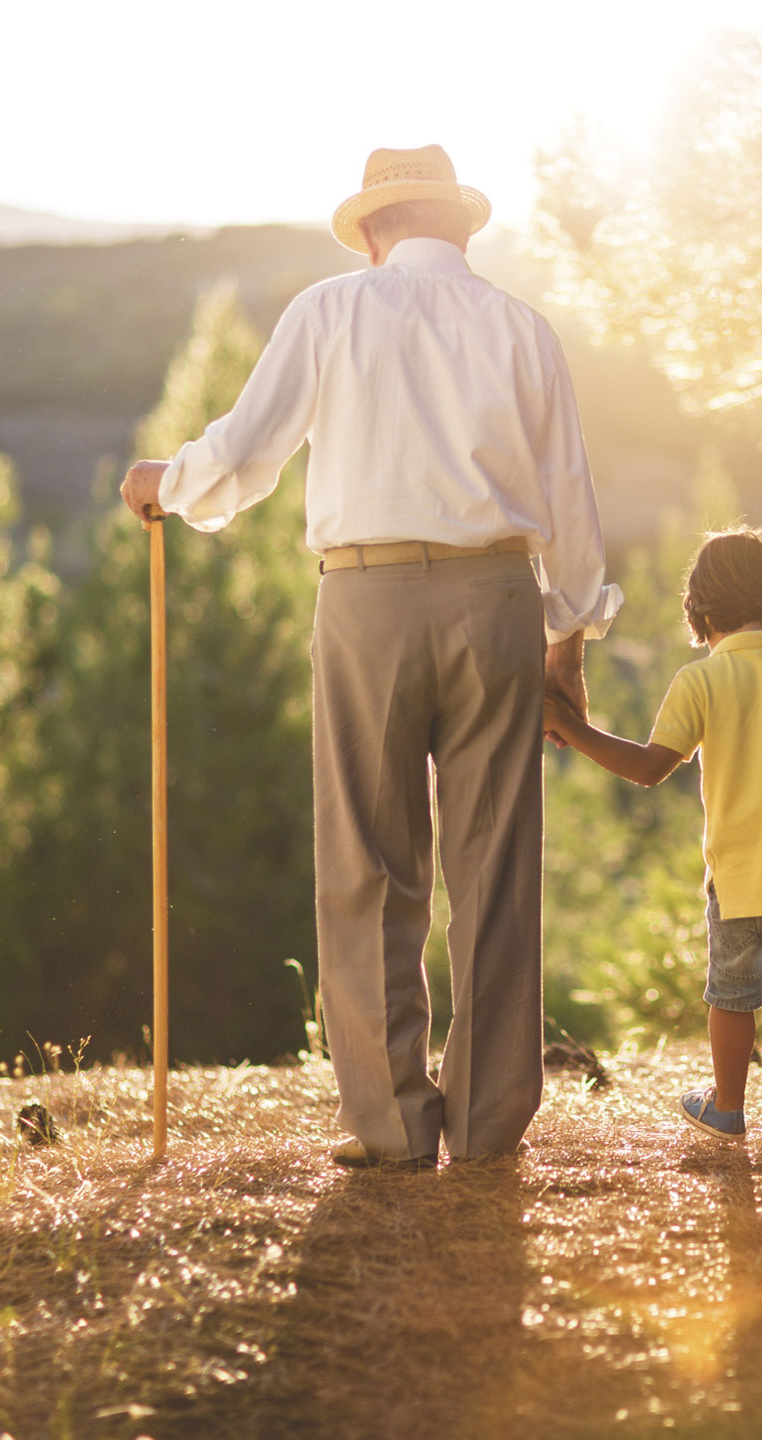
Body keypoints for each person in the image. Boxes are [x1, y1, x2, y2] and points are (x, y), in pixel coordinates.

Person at [119, 145, 621, 1169]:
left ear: (375, 230)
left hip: (365, 598)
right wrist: (568, 643)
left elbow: (247, 454)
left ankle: (392, 1124)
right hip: (499, 602)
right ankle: (485, 1127)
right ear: (461, 226)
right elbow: (571, 498)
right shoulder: (525, 329)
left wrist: (165, 481)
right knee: (496, 867)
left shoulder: (330, 310)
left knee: (368, 861)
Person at [543, 528, 762, 1162]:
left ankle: (726, 1108)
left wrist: (570, 727)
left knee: (731, 995)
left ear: (705, 616)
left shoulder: (700, 682)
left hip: (740, 876)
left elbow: (647, 769)